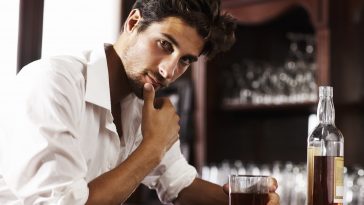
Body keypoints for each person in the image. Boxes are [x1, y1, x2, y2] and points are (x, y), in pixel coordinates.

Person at [0, 0, 280, 204]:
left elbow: (181, 186)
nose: (169, 71)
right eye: (165, 45)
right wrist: (153, 147)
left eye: (185, 60)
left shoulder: (142, 102)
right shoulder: (53, 82)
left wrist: (247, 200)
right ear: (133, 23)